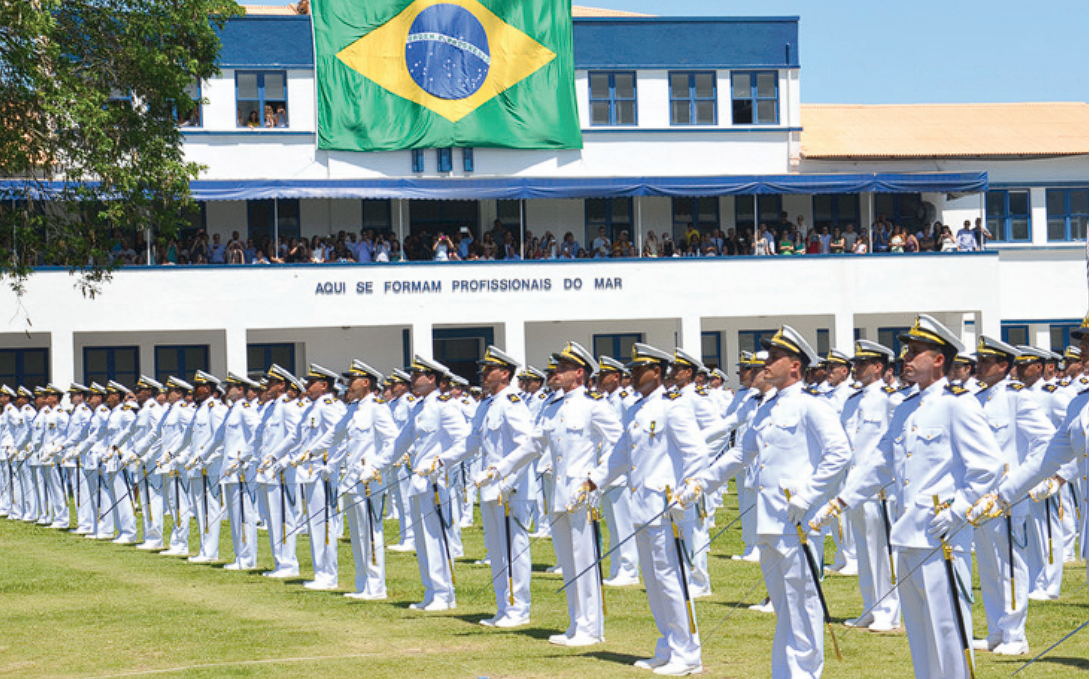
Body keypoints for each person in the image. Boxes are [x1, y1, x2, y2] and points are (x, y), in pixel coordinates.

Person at [812, 314, 1005, 679]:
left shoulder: (957, 404)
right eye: (907, 351)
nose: (906, 358)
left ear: (938, 360)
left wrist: (960, 510)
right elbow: (880, 464)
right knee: (920, 635)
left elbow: (989, 466)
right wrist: (842, 500)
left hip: (942, 536)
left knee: (949, 634)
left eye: (915, 352)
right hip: (907, 534)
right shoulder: (905, 408)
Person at [679, 326, 852, 679]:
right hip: (770, 520)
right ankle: (784, 672)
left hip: (797, 520)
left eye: (774, 358)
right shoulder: (766, 407)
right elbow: (741, 454)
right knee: (784, 608)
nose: (766, 364)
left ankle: (805, 673)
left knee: (803, 605)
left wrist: (808, 495)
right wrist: (701, 483)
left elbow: (840, 454)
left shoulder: (810, 405)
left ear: (795, 366)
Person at [578, 343, 708, 676]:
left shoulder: (673, 407)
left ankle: (688, 652)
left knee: (671, 580)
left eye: (638, 370)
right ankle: (667, 644)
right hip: (641, 507)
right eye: (631, 370)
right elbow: (621, 456)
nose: (632, 375)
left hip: (667, 509)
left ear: (657, 372)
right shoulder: (636, 410)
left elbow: (696, 455)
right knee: (653, 581)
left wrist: (687, 492)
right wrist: (593, 480)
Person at [488, 342, 622, 647]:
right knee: (569, 561)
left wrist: (596, 479)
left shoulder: (593, 404)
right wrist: (501, 468)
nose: (555, 373)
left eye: (562, 369)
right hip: (559, 494)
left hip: (581, 494)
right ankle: (576, 624)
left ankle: (591, 628)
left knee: (585, 562)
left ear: (579, 373)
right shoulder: (552, 406)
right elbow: (532, 445)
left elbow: (618, 443)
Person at [393, 356, 471, 612]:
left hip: (436, 481)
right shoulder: (419, 408)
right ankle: (431, 591)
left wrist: (440, 462)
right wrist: (377, 465)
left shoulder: (445, 406)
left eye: (418, 375)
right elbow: (400, 443)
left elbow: (464, 441)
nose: (413, 379)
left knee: (437, 538)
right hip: (418, 481)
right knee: (423, 541)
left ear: (433, 379)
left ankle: (445, 594)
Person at [838, 341, 900, 632]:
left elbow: (897, 444)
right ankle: (871, 606)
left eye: (862, 364)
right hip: (853, 487)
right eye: (855, 364)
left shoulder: (890, 398)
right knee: (863, 551)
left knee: (883, 551)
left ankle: (888, 609)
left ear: (878, 367)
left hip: (879, 489)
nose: (855, 369)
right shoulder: (852, 401)